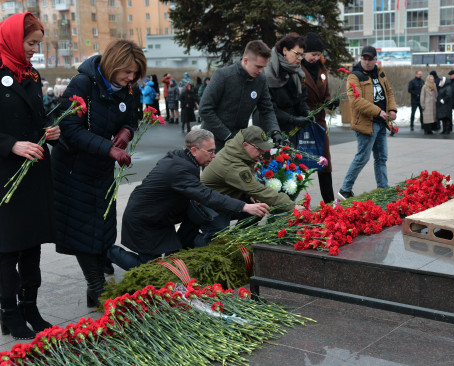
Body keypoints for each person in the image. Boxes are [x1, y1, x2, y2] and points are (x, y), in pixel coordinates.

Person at [51, 39, 146, 308]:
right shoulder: (83, 84)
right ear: (113, 64)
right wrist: (109, 149)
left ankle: (96, 288)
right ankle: (97, 286)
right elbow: (70, 128)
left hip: (100, 167)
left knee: (102, 226)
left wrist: (127, 131)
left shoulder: (128, 89)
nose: (131, 78)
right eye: (127, 72)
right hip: (73, 168)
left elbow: (132, 117)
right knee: (82, 228)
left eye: (135, 73)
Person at [108, 129, 270, 270]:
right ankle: (106, 252)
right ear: (194, 150)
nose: (214, 156)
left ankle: (184, 246)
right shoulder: (180, 169)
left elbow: (199, 194)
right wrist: (244, 207)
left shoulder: (184, 159)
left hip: (160, 217)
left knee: (197, 215)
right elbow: (207, 195)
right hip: (145, 222)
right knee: (146, 266)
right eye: (210, 151)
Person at [0, 12, 60, 340]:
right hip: (6, 175)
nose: (36, 50)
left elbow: (37, 116)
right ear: (12, 39)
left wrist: (51, 129)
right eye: (31, 43)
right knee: (8, 248)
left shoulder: (32, 75)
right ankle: (8, 311)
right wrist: (11, 145)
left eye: (38, 43)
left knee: (32, 246)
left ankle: (30, 306)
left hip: (34, 173)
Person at [199, 126, 298, 246]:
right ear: (246, 144)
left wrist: (249, 193)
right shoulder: (233, 164)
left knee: (258, 208)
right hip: (210, 207)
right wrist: (292, 206)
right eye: (259, 149)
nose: (262, 153)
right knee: (218, 242)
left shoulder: (238, 151)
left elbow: (248, 185)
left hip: (225, 199)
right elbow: (258, 190)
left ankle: (241, 240)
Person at [200, 40, 282, 151]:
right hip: (213, 141)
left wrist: (275, 131)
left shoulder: (260, 80)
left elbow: (267, 109)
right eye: (258, 67)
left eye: (263, 67)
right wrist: (227, 136)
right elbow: (205, 109)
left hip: (238, 140)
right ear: (246, 60)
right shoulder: (223, 76)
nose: (261, 71)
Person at [338, 46, 397, 200]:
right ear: (361, 59)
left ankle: (383, 188)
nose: (367, 61)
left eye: (370, 58)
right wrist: (377, 111)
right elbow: (356, 101)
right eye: (364, 58)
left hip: (382, 122)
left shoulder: (380, 73)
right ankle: (345, 189)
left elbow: (389, 92)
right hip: (366, 124)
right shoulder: (354, 76)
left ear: (375, 59)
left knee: (381, 158)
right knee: (362, 158)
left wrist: (392, 109)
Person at [256, 33, 312, 139]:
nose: (300, 58)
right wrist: (293, 119)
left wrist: (307, 112)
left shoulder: (298, 72)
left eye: (302, 55)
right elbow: (268, 108)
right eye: (297, 54)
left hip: (290, 130)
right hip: (269, 130)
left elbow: (301, 99)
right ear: (285, 50)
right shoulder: (267, 72)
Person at [301, 32, 335, 203]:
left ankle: (329, 202)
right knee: (300, 163)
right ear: (304, 52)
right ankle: (285, 205)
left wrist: (330, 103)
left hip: (319, 122)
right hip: (302, 121)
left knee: (324, 164)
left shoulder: (322, 70)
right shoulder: (297, 69)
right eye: (312, 54)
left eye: (318, 54)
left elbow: (326, 94)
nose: (315, 57)